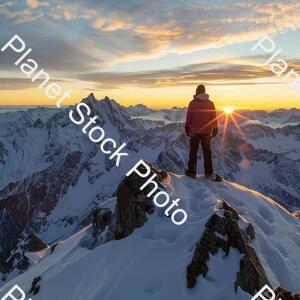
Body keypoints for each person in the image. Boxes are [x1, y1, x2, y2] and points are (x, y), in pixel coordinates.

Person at [185, 84, 222, 181]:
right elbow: (213, 117)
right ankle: (209, 172)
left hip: (194, 132)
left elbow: (189, 116)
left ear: (197, 92)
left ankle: (191, 172)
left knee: (193, 152)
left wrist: (187, 127)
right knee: (207, 153)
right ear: (204, 92)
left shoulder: (192, 103)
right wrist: (215, 128)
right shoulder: (210, 103)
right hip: (206, 132)